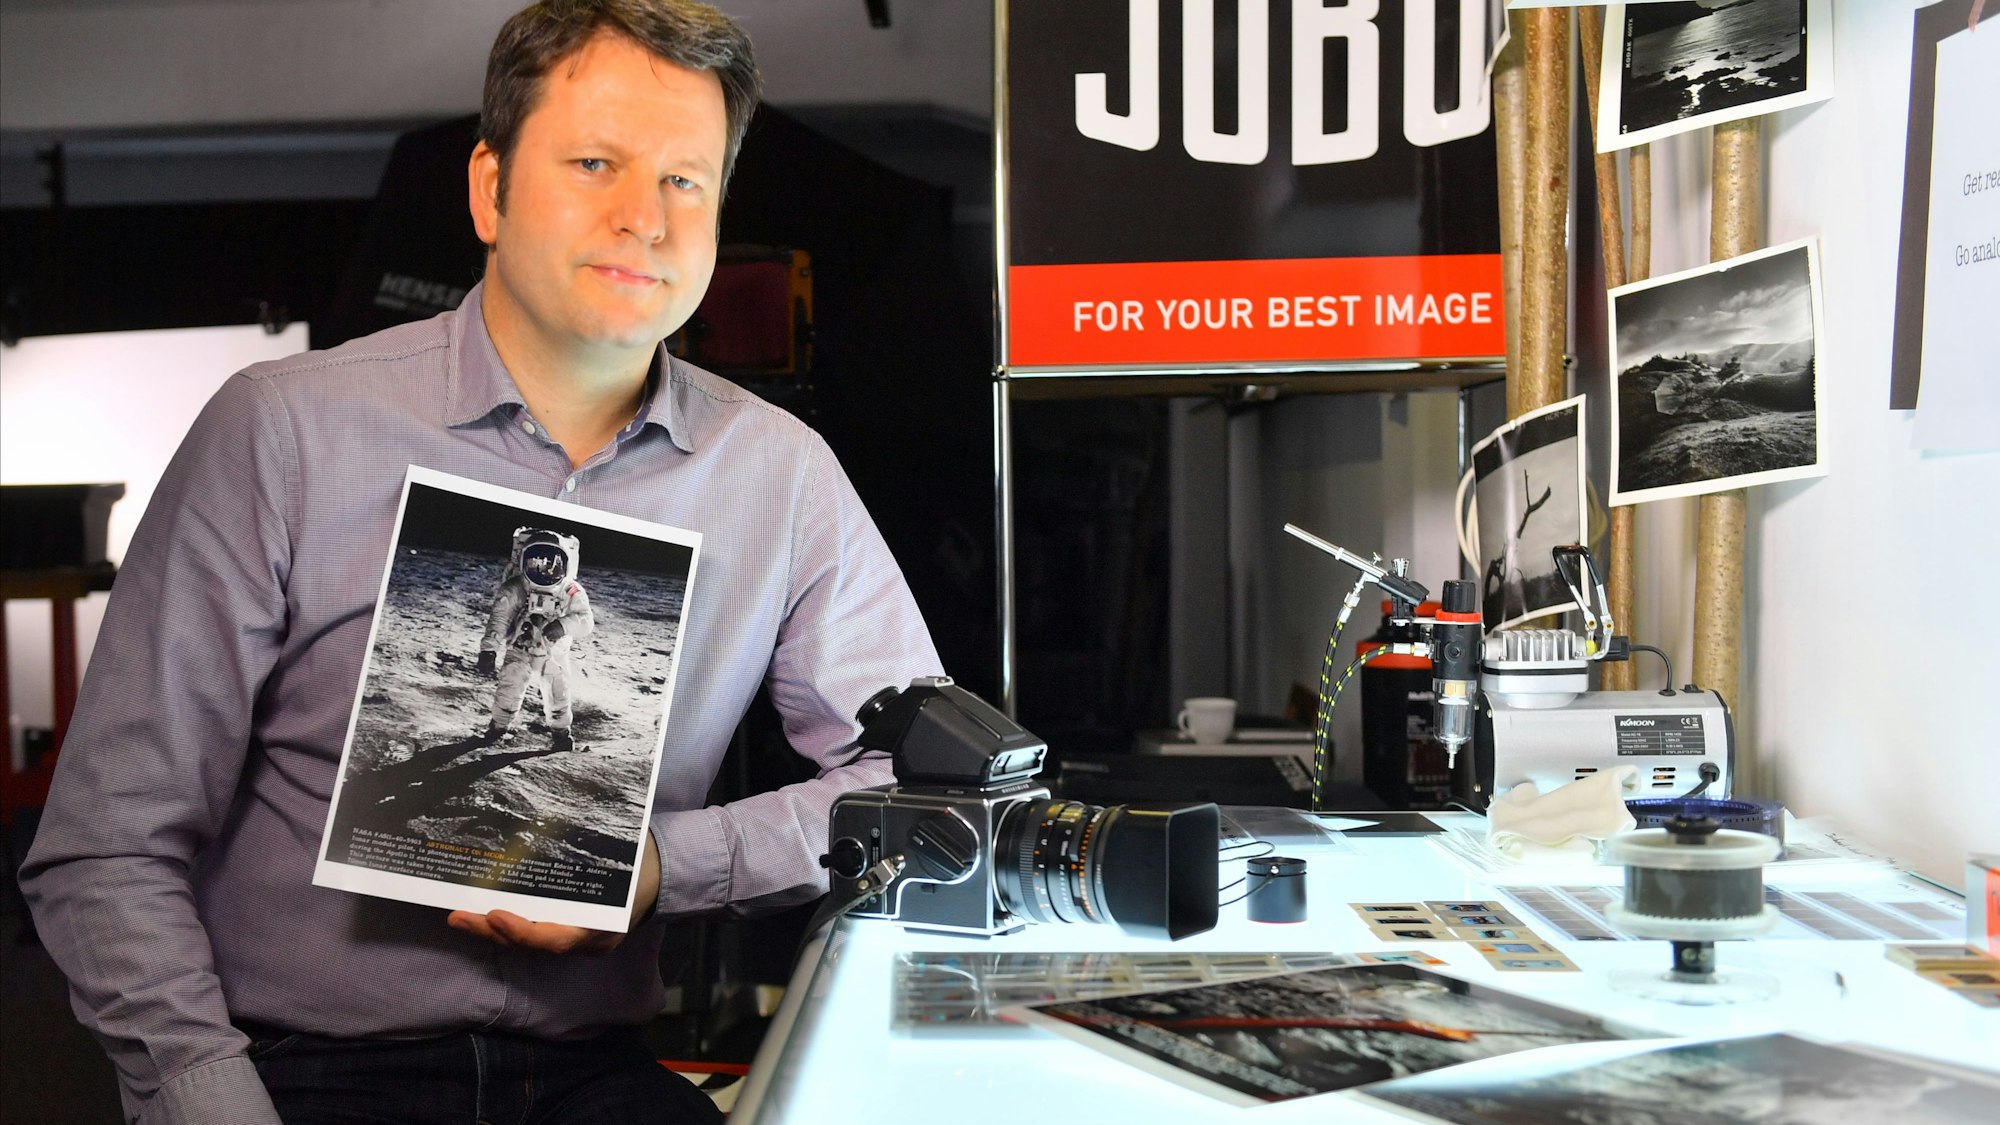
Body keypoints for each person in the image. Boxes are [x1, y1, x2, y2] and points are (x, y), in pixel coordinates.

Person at [20, 2, 941, 1123]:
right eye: (594, 164)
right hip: (309, 1072)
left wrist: (664, 863)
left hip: (596, 1072)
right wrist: (208, 1098)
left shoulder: (779, 474)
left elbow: (924, 788)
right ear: (489, 190)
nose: (644, 218)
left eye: (685, 180)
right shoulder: (285, 432)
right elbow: (106, 844)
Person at [480, 527, 595, 752]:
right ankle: (498, 727)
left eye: (553, 564)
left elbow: (585, 621)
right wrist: (489, 649)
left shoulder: (570, 590)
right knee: (509, 687)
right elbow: (499, 619)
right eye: (536, 563)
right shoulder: (515, 588)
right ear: (524, 561)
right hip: (520, 646)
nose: (544, 570)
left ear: (565, 564)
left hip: (553, 652)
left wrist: (562, 626)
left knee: (558, 693)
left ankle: (561, 733)